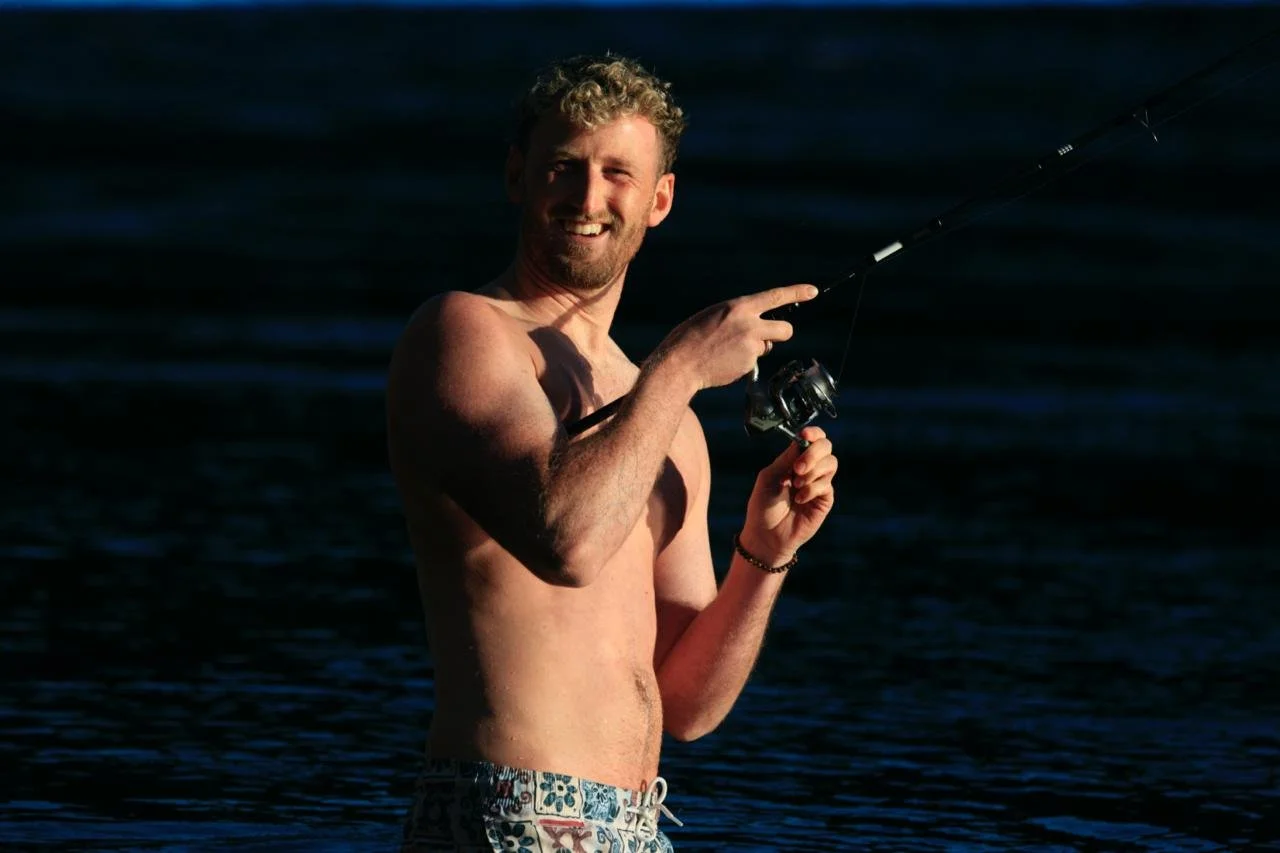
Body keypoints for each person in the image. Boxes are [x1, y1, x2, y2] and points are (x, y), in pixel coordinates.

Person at [386, 53, 838, 853]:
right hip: (508, 816)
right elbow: (566, 541)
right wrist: (683, 366)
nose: (588, 197)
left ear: (659, 199)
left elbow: (687, 706)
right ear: (518, 175)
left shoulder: (670, 421)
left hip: (636, 829)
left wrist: (764, 554)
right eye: (565, 166)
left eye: (617, 173)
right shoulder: (464, 333)